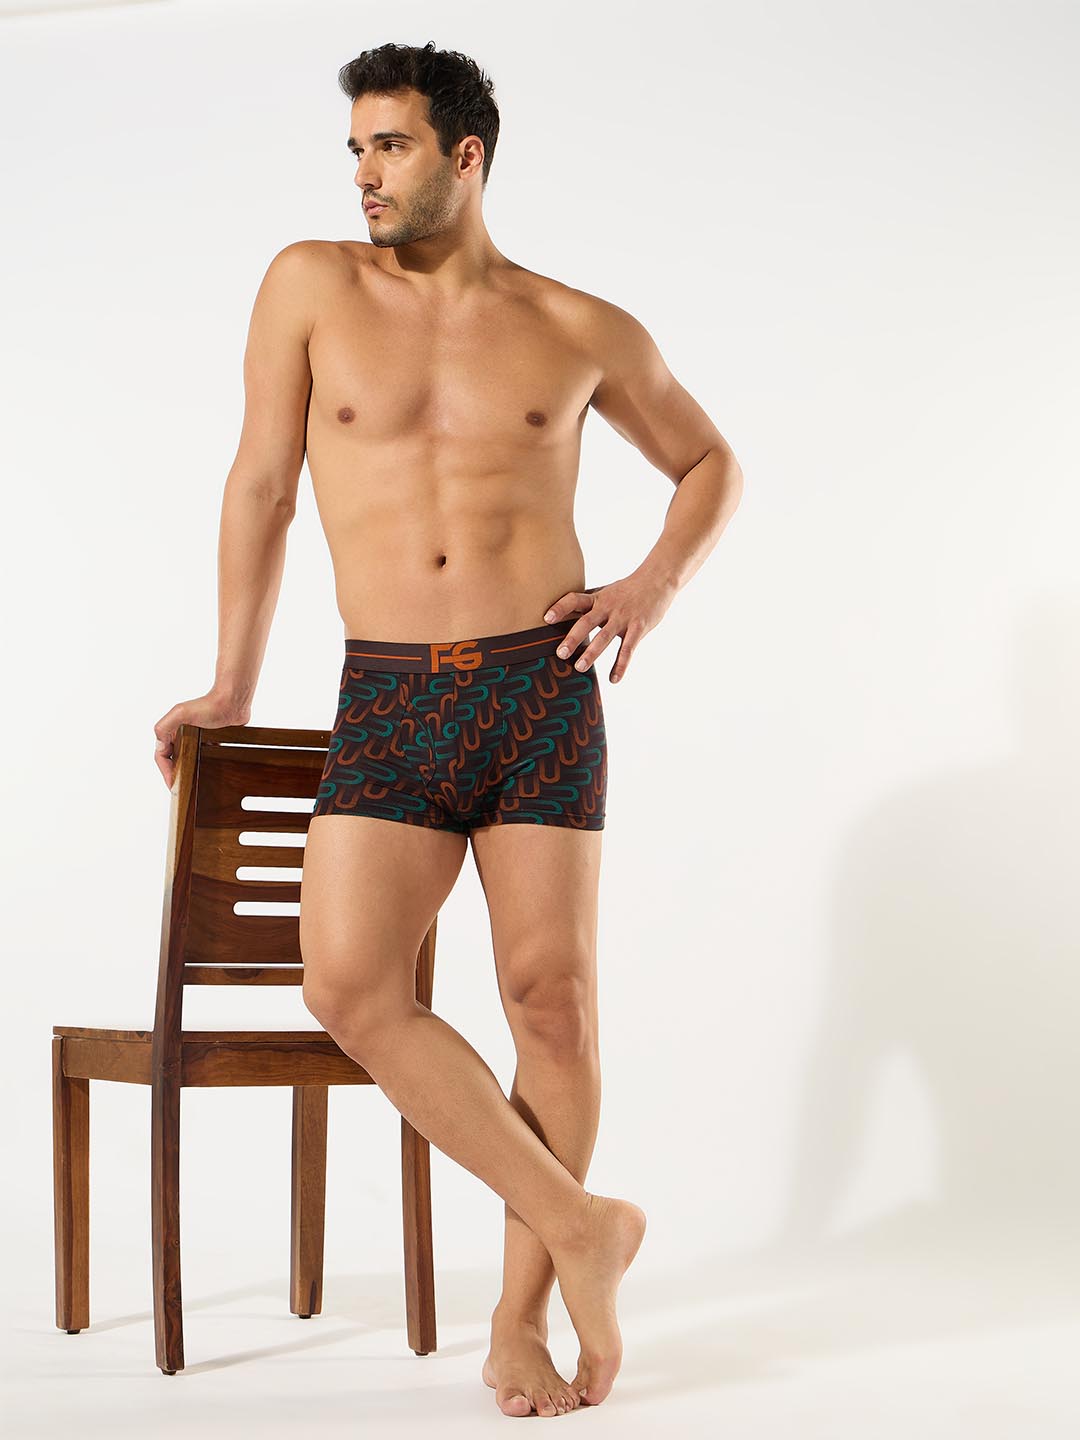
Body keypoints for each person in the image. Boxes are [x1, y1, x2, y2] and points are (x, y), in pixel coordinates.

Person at [153, 40, 743, 1418]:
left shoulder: (580, 326)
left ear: (465, 156)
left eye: (393, 146)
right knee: (351, 988)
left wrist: (650, 587)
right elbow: (261, 486)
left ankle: (518, 1322)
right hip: (389, 691)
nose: (365, 173)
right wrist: (233, 683)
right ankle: (584, 1223)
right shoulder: (309, 285)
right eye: (356, 148)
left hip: (539, 688)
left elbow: (710, 461)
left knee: (553, 1000)